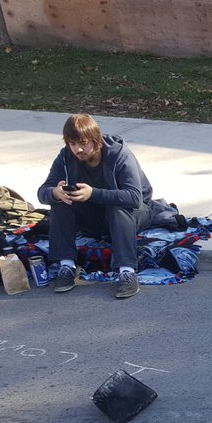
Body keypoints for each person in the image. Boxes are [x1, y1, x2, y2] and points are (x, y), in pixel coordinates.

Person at [37, 113, 158, 299]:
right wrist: (55, 192)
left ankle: (127, 272)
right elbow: (42, 192)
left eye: (83, 143)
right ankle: (66, 266)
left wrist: (93, 193)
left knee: (117, 207)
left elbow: (134, 197)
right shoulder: (65, 156)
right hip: (95, 215)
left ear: (96, 140)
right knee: (61, 202)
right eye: (72, 144)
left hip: (134, 213)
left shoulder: (120, 154)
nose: (78, 149)